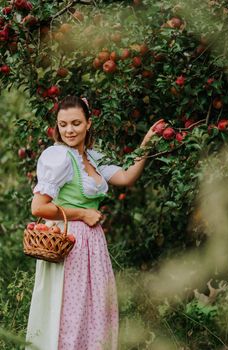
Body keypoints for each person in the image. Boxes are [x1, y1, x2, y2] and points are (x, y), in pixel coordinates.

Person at [25, 95, 163, 350]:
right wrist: (82, 214)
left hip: (93, 245)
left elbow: (125, 177)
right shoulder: (59, 158)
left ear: (89, 123)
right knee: (70, 311)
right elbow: (39, 207)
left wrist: (147, 143)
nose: (69, 130)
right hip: (68, 242)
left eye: (76, 123)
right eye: (63, 124)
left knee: (97, 309)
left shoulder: (93, 158)